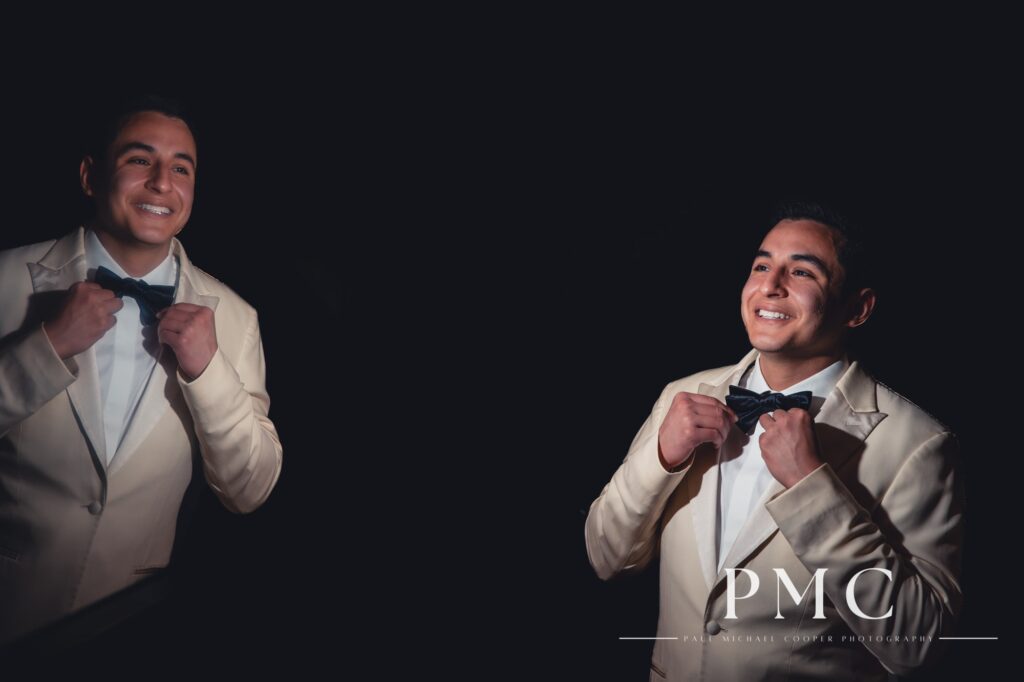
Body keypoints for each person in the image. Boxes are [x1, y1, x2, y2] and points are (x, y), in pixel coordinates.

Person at [584, 203, 963, 681]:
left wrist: (812, 488)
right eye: (762, 266)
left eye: (802, 271)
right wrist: (661, 458)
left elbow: (918, 643)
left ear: (857, 308)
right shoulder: (680, 397)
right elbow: (604, 559)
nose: (771, 284)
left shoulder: (919, 445)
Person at [0, 96, 283, 645]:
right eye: (139, 159)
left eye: (181, 168)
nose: (161, 182)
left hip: (131, 626)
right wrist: (47, 347)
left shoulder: (238, 318)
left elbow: (251, 490)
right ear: (90, 175)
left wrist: (208, 371)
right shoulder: (5, 280)